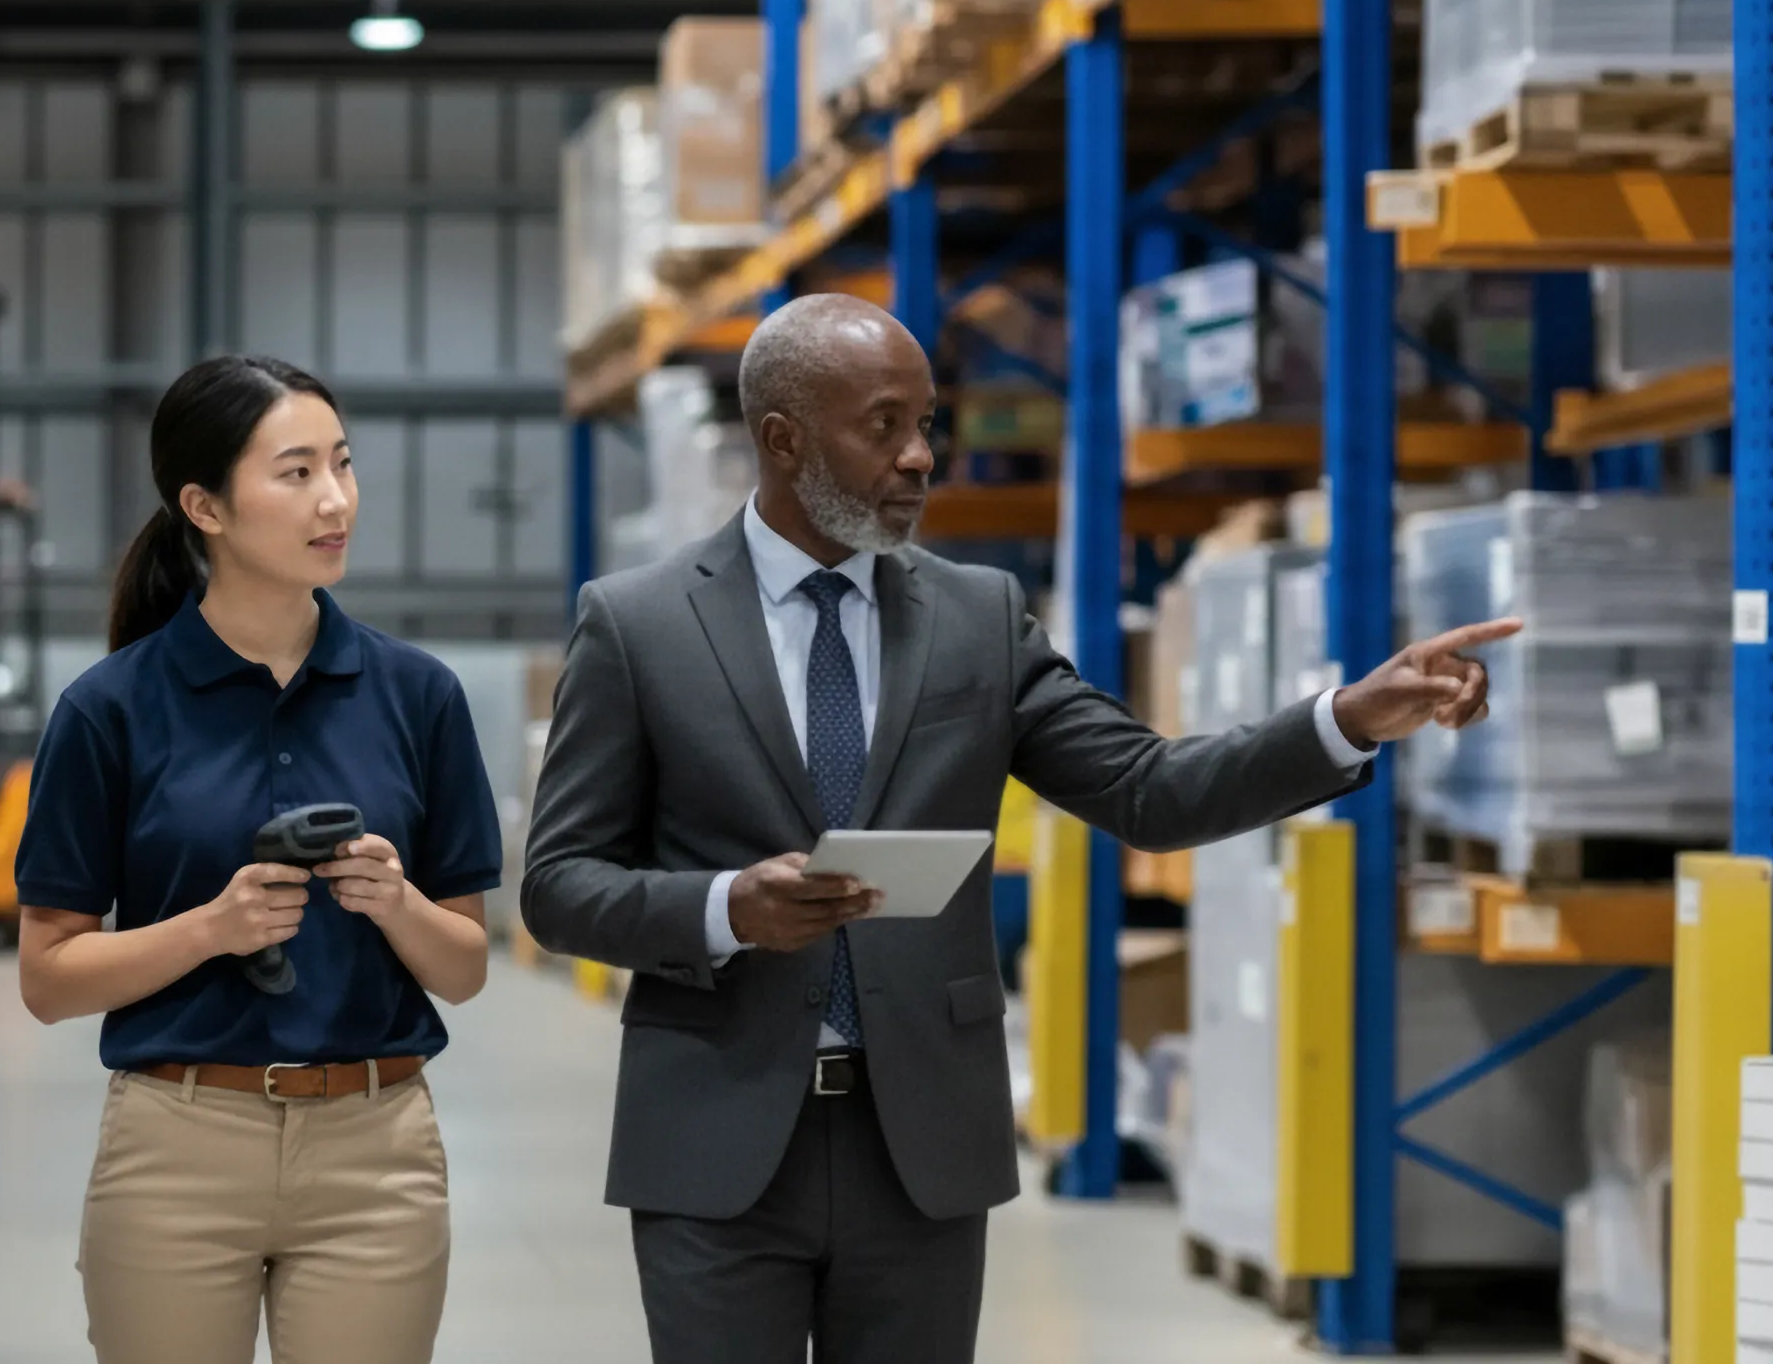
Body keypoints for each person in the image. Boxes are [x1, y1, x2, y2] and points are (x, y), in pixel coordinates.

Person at [520, 294, 1521, 1362]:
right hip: (714, 1138)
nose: (918, 457)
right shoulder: (639, 625)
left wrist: (1345, 720)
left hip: (919, 1149)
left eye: (928, 425)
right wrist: (726, 909)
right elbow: (560, 883)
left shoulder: (978, 619)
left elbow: (1150, 791)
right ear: (784, 438)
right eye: (885, 425)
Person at [14, 357, 504, 1364]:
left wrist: (398, 902)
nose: (335, 500)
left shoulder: (420, 697)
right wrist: (212, 929)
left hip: (378, 1151)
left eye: (343, 464)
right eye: (294, 473)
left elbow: (464, 968)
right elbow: (48, 979)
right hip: (177, 1148)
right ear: (206, 507)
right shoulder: (109, 710)